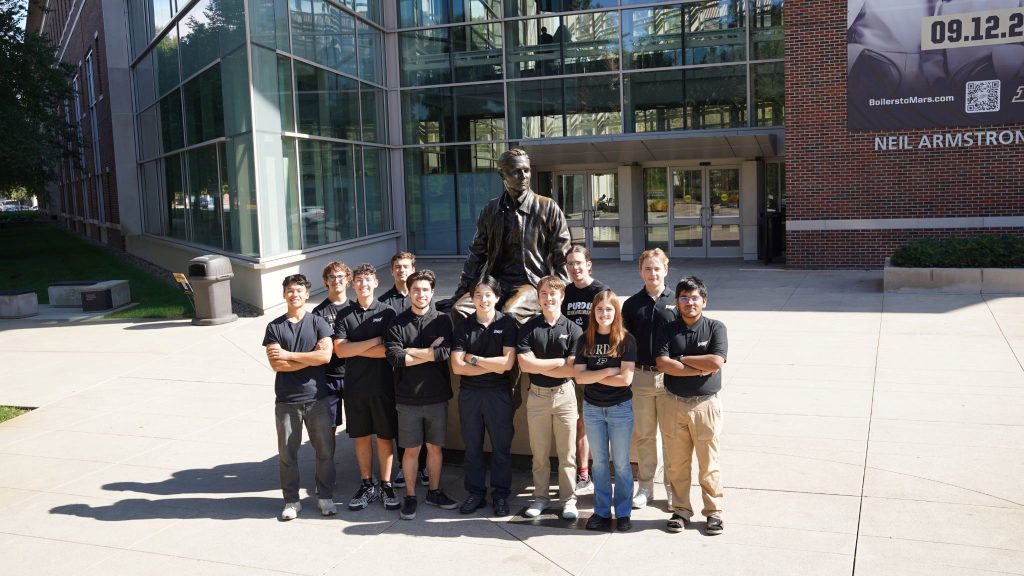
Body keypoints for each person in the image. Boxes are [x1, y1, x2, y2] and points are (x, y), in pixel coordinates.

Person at [439, 148, 571, 325]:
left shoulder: (547, 207)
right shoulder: (491, 210)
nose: (523, 176)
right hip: (495, 283)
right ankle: (477, 349)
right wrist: (460, 292)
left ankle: (505, 352)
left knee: (511, 313)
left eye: (526, 170)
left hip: (531, 283)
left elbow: (562, 255)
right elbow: (476, 255)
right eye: (516, 171)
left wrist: (563, 293)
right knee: (460, 310)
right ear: (502, 174)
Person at [655, 276, 728, 535]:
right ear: (677, 302)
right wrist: (698, 368)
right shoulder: (667, 329)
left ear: (704, 301)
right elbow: (663, 364)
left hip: (705, 406)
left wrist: (683, 359)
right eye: (684, 298)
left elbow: (716, 362)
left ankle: (714, 512)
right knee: (677, 463)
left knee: (709, 463)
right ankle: (681, 510)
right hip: (673, 404)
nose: (689, 302)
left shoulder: (716, 328)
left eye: (694, 297)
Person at [384, 269, 459, 520]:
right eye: (416, 289)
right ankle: (411, 496)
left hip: (436, 397)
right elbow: (395, 358)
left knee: (435, 449)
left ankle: (435, 492)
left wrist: (411, 352)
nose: (421, 294)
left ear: (433, 292)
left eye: (426, 289)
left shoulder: (443, 321)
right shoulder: (397, 322)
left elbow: (444, 354)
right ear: (408, 292)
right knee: (411, 451)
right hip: (407, 399)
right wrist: (428, 352)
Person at [263, 274, 336, 520]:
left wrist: (288, 354)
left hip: (317, 399)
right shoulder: (274, 327)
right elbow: (277, 365)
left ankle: (325, 497)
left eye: (299, 290)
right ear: (284, 294)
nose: (295, 294)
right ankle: (291, 501)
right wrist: (306, 357)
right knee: (287, 455)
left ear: (307, 294)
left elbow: (325, 358)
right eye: (290, 291)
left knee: (324, 451)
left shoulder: (318, 322)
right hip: (286, 401)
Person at [334, 264, 400, 512]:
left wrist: (356, 347)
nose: (363, 285)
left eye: (367, 280)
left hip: (383, 386)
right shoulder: (344, 315)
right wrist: (373, 341)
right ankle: (366, 484)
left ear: (376, 283)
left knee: (384, 437)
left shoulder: (388, 312)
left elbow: (388, 351)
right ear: (353, 285)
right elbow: (340, 350)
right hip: (355, 388)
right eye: (358, 281)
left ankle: (386, 484)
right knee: (361, 437)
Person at [450, 275, 517, 517]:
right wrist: (493, 364)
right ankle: (475, 493)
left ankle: (500, 495)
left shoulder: (507, 325)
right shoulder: (464, 326)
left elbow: (507, 365)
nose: (483, 299)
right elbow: (457, 367)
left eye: (488, 294)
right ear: (472, 298)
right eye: (478, 295)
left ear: (497, 297)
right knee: (473, 447)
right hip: (470, 394)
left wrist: (474, 359)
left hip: (498, 394)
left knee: (501, 447)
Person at [517, 275, 582, 520]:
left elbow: (573, 369)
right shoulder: (529, 327)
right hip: (538, 396)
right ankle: (540, 498)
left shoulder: (574, 329)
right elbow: (525, 364)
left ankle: (568, 500)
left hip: (565, 395)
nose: (548, 298)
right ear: (538, 297)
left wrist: (539, 364)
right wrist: (557, 362)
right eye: (543, 293)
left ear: (562, 296)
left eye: (553, 293)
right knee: (540, 454)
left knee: (567, 455)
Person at [573, 290, 637, 532]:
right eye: (599, 309)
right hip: (593, 409)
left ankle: (623, 513)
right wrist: (609, 371)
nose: (604, 314)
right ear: (593, 312)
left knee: (620, 464)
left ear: (616, 312)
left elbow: (626, 380)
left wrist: (595, 376)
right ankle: (601, 512)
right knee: (599, 464)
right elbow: (579, 378)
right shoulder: (584, 340)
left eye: (609, 309)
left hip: (619, 409)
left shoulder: (626, 340)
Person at [621, 248, 677, 510]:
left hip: (670, 379)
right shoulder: (632, 305)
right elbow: (624, 343)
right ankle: (645, 487)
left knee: (671, 436)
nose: (652, 273)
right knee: (644, 436)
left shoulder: (678, 301)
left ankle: (672, 487)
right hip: (642, 378)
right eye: (647, 269)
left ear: (666, 270)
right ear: (640, 271)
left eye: (657, 268)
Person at [378, 251, 429, 489]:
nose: (401, 270)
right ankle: (403, 466)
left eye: (406, 266)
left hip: (422, 373)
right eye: (397, 266)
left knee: (425, 422)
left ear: (412, 268)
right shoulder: (385, 303)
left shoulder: (421, 294)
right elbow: (389, 343)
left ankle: (425, 466)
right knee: (402, 423)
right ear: (391, 271)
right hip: (395, 371)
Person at [560, 245, 609, 496]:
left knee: (593, 423)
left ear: (588, 264)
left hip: (596, 366)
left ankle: (596, 472)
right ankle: (582, 473)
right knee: (578, 422)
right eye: (570, 263)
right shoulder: (564, 293)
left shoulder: (600, 291)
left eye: (579, 262)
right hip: (572, 366)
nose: (575, 268)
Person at [311, 262, 350, 443]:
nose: (336, 280)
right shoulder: (318, 312)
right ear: (326, 281)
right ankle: (328, 470)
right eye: (332, 277)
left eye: (340, 276)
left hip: (353, 375)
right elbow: (320, 348)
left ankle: (364, 471)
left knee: (361, 428)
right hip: (328, 377)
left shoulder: (355, 307)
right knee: (328, 428)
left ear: (348, 279)